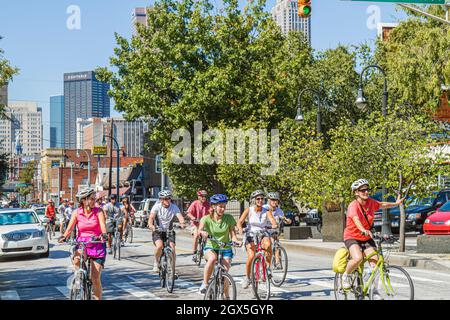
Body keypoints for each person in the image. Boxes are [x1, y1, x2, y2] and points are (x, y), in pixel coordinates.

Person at [341, 179, 404, 292]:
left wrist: (396, 203)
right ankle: (346, 275)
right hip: (352, 236)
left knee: (375, 265)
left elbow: (382, 204)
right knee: (358, 258)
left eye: (367, 190)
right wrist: (363, 229)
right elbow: (356, 219)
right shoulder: (353, 206)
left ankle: (374, 292)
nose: (366, 192)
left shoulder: (370, 202)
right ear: (356, 192)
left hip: (366, 237)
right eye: (363, 190)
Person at [58, 188, 108, 300]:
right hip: (82, 243)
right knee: (76, 259)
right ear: (84, 200)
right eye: (91, 199)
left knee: (95, 278)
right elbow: (70, 228)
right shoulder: (76, 212)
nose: (94, 201)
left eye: (94, 198)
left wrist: (104, 234)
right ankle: (80, 277)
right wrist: (64, 236)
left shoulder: (98, 211)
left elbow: (102, 225)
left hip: (97, 243)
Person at [197, 194, 241, 295]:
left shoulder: (228, 218)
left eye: (224, 206)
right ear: (213, 206)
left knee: (225, 274)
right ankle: (205, 283)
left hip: (225, 248)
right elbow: (200, 230)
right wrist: (202, 232)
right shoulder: (206, 218)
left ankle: (227, 297)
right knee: (212, 259)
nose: (222, 209)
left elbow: (233, 234)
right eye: (220, 206)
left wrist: (236, 240)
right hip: (211, 246)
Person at [237, 190, 277, 289]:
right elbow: (240, 221)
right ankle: (247, 277)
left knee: (268, 245)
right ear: (254, 200)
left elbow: (272, 221)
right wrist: (240, 229)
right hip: (250, 234)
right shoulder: (248, 210)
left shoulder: (266, 211)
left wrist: (274, 224)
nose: (260, 200)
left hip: (262, 233)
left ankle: (268, 268)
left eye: (262, 199)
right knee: (251, 256)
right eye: (258, 199)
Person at [148, 190, 186, 273]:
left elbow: (180, 216)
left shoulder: (174, 207)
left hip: (169, 230)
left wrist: (182, 223)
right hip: (158, 231)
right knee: (159, 246)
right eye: (165, 198)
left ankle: (173, 270)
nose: (167, 200)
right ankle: (156, 262)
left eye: (169, 198)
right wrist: (151, 225)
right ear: (161, 199)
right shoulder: (157, 207)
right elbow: (151, 218)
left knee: (172, 248)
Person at [263, 192, 291, 269]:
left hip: (273, 231)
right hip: (264, 230)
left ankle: (277, 262)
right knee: (267, 246)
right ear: (268, 200)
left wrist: (287, 220)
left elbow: (283, 218)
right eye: (272, 200)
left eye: (276, 200)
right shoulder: (264, 208)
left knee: (276, 243)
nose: (274, 202)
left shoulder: (279, 210)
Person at [186, 190, 211, 261]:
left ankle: (204, 251)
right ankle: (194, 253)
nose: (204, 197)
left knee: (206, 236)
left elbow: (211, 213)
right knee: (196, 235)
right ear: (198, 197)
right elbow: (188, 213)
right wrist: (193, 218)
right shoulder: (195, 203)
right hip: (196, 224)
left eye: (205, 196)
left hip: (205, 225)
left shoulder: (208, 204)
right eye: (202, 196)